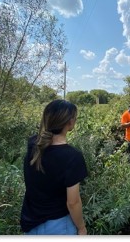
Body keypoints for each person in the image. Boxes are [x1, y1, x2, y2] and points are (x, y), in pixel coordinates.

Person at [20, 99, 88, 235]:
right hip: (59, 226)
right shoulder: (72, 157)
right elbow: (73, 202)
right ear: (70, 122)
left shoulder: (33, 143)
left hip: (31, 224)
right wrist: (81, 227)